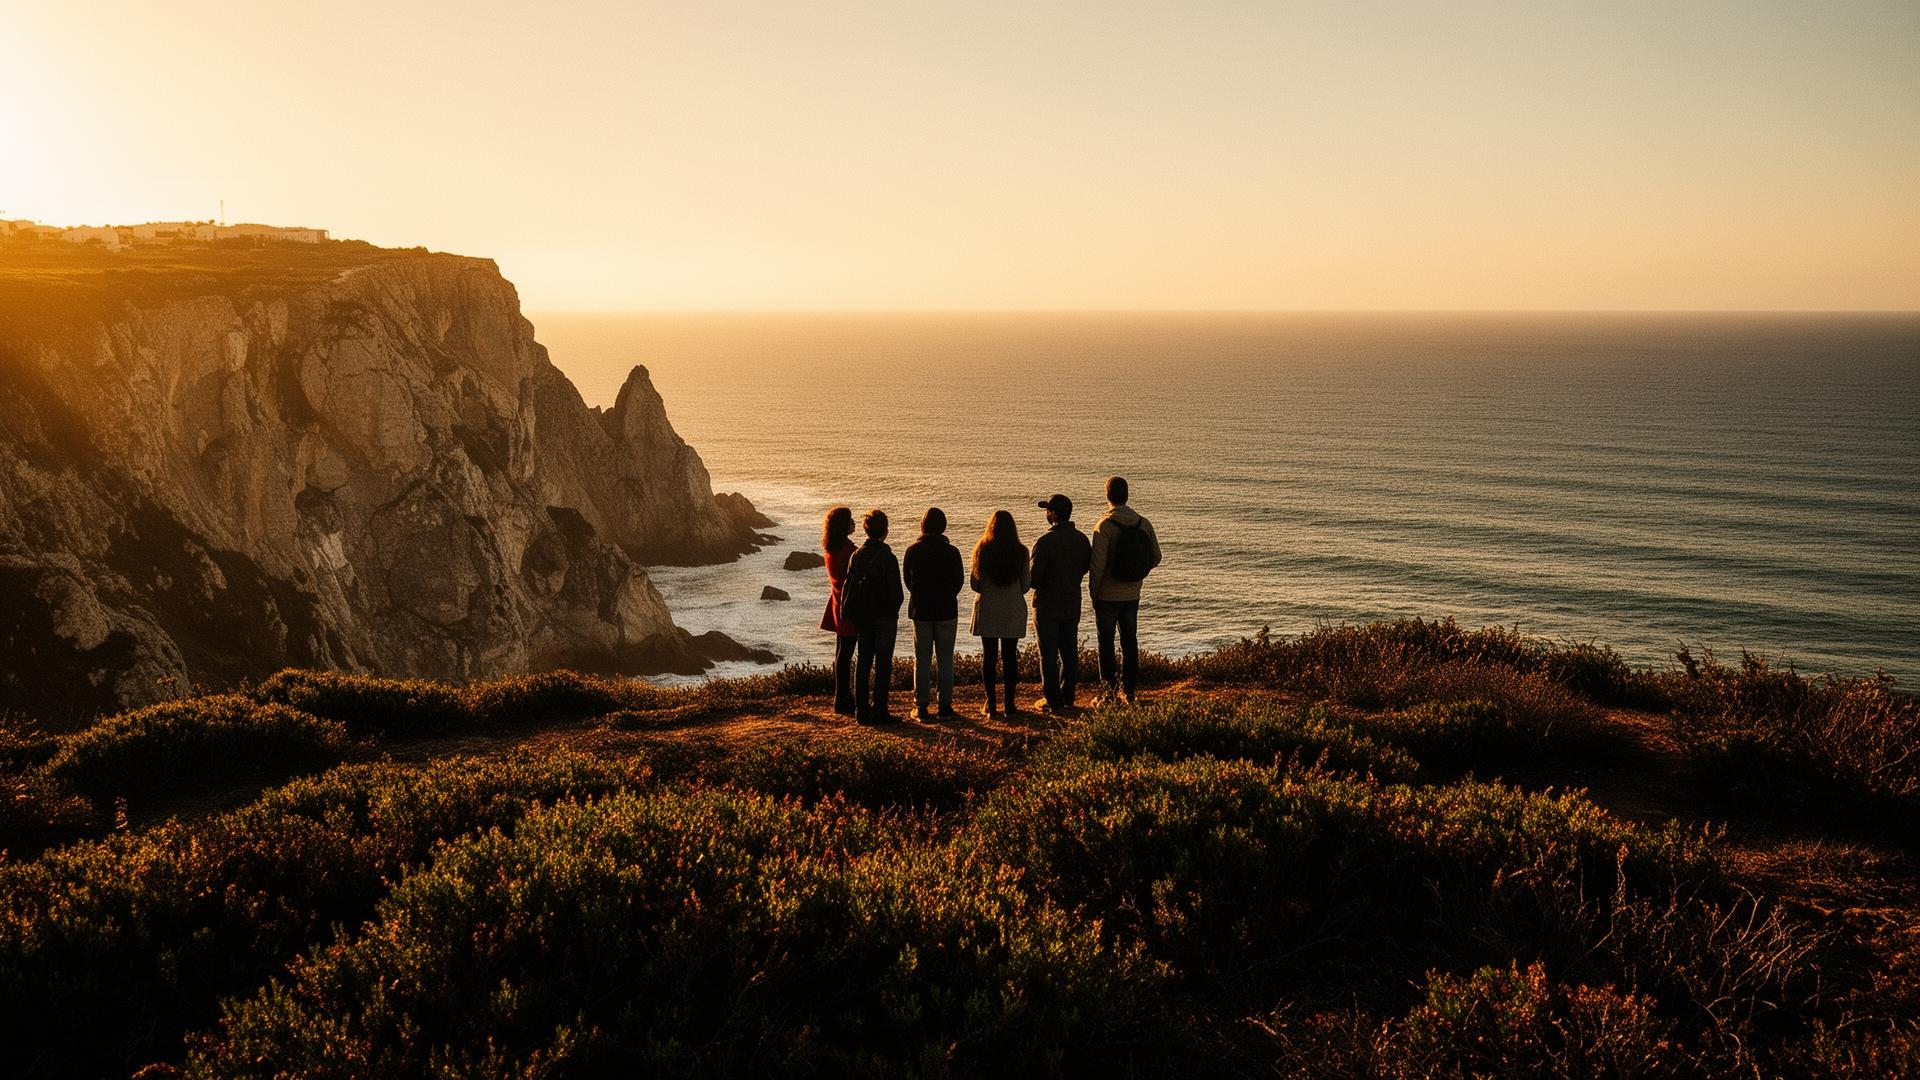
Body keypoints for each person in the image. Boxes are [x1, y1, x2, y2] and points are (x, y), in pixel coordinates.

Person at [1087, 476, 1162, 704]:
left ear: (1107, 495)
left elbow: (1097, 566)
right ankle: (1129, 692)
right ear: (1127, 495)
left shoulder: (1104, 526)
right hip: (1132, 594)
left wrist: (1094, 593)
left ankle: (1108, 693)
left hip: (1107, 595)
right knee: (1130, 642)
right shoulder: (1143, 523)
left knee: (1106, 644)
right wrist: (1137, 573)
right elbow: (1156, 557)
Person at [1028, 493, 1092, 712]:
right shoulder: (1082, 540)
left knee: (1048, 654)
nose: (1046, 514)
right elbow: (1085, 567)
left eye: (1048, 511)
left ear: (1053, 514)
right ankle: (1067, 696)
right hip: (1072, 600)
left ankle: (1053, 699)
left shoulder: (1045, 542)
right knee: (1069, 651)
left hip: (1047, 603)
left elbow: (1034, 579)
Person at [902, 507, 964, 720]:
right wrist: (947, 595)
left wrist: (920, 594)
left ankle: (921, 706)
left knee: (922, 658)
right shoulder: (952, 552)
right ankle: (945, 706)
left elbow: (908, 581)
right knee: (946, 658)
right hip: (946, 609)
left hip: (921, 610)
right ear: (943, 527)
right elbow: (959, 581)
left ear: (923, 526)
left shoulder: (913, 550)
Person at [969, 509, 1030, 717]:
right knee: (1010, 656)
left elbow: (975, 584)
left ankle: (991, 703)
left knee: (989, 657)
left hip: (988, 608)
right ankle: (1009, 704)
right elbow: (1025, 585)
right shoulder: (1021, 551)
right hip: (1012, 608)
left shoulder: (982, 549)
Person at [846, 508, 904, 723]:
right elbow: (896, 594)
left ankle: (861, 710)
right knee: (883, 664)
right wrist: (892, 611)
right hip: (884, 617)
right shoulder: (888, 557)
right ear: (885, 530)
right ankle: (880, 710)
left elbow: (849, 586)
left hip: (862, 616)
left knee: (863, 661)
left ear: (866, 530)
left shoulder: (856, 555)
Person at [818, 506, 859, 714]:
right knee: (845, 653)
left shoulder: (831, 549)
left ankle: (841, 695)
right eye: (850, 521)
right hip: (848, 605)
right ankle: (843, 697)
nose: (854, 523)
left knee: (841, 651)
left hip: (837, 601)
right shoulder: (849, 552)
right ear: (843, 526)